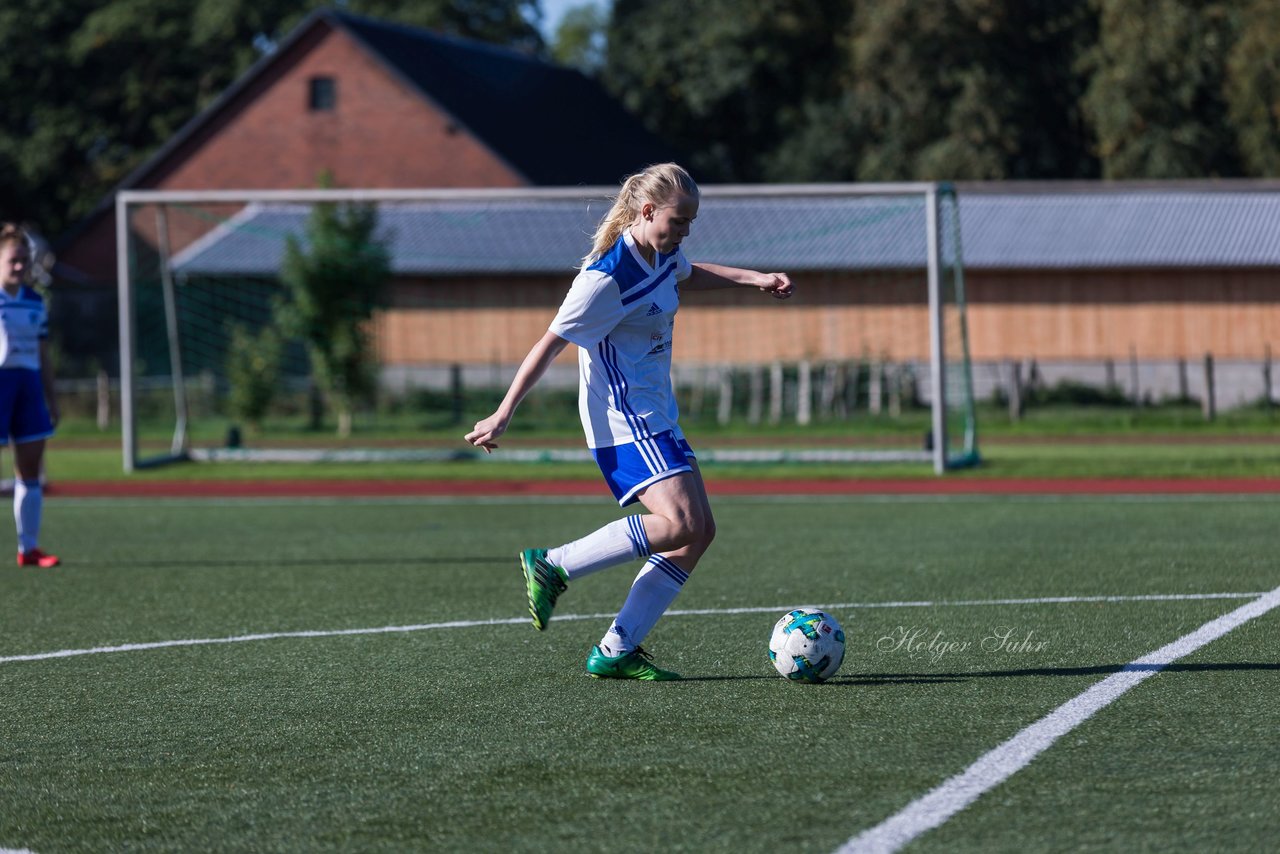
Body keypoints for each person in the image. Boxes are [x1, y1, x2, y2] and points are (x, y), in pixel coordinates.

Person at [465, 163, 793, 680]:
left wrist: (755, 278)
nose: (684, 232)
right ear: (647, 212)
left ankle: (617, 649)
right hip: (624, 419)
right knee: (682, 523)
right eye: (679, 221)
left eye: (690, 223)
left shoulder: (660, 254)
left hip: (656, 414)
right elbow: (549, 343)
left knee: (697, 533)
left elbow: (689, 272)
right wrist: (504, 412)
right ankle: (554, 564)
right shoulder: (604, 279)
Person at [0, 223, 59, 568]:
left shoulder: (35, 302)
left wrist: (51, 398)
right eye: (13, 260)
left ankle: (29, 549)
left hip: (28, 387)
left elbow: (44, 354)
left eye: (24, 260)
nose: (20, 266)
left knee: (30, 472)